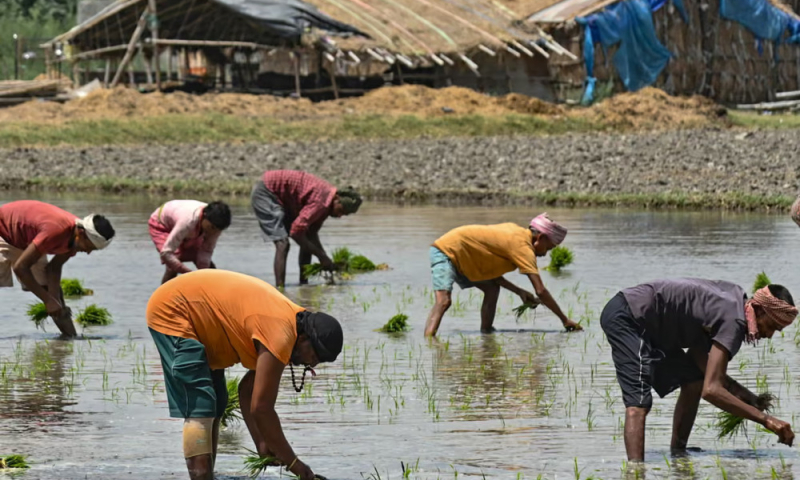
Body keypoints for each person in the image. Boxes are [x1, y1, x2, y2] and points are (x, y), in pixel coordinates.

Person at [146, 269, 342, 480]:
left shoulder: (292, 331)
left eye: (317, 362)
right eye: (313, 355)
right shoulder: (281, 335)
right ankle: (201, 475)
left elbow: (248, 391)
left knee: (217, 401)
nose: (310, 363)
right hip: (174, 309)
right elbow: (261, 408)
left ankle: (207, 475)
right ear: (304, 337)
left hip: (204, 321)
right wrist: (296, 465)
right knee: (200, 403)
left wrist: (261, 441)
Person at [600, 278, 797, 461]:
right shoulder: (733, 321)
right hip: (630, 317)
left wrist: (749, 398)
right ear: (760, 311)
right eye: (771, 326)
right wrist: (766, 420)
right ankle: (635, 472)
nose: (770, 335)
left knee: (694, 381)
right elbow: (712, 390)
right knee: (639, 403)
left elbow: (699, 359)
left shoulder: (734, 303)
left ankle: (678, 453)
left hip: (654, 326)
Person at [424, 213, 582, 337]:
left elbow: (494, 277)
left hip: (464, 257)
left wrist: (519, 292)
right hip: (446, 251)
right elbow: (540, 290)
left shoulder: (516, 233)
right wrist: (565, 320)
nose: (545, 254)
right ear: (540, 238)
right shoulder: (522, 247)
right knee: (443, 301)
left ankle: (486, 334)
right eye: (548, 248)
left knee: (492, 289)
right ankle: (429, 341)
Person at [0, 200, 115, 337]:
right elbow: (21, 268)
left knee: (53, 296)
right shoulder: (56, 231)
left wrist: (57, 302)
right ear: (81, 233)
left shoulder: (74, 239)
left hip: (26, 240)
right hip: (4, 230)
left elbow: (53, 268)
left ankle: (71, 339)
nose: (88, 252)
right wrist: (48, 300)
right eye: (88, 247)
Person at [251, 170, 362, 288]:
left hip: (285, 199)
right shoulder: (321, 202)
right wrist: (322, 257)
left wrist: (324, 257)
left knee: (306, 238)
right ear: (337, 199)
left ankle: (303, 284)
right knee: (283, 244)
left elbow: (311, 234)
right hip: (267, 191)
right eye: (341, 211)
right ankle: (280, 290)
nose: (339, 216)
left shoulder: (326, 206)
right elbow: (295, 232)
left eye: (343, 215)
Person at [148, 200, 231, 284]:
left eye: (217, 230)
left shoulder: (216, 225)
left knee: (209, 268)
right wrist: (188, 274)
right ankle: (164, 295)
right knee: (173, 264)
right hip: (162, 224)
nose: (213, 233)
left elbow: (206, 250)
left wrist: (204, 274)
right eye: (212, 228)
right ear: (205, 216)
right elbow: (166, 253)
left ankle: (215, 291)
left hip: (191, 227)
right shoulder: (188, 221)